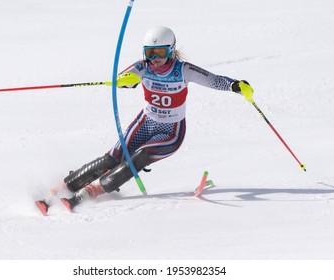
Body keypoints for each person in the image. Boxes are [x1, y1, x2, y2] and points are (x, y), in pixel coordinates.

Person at [60, 25, 253, 211]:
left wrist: (235, 85)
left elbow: (213, 79)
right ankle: (64, 187)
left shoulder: (183, 70)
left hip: (171, 131)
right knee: (113, 158)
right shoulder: (143, 67)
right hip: (146, 122)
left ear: (171, 50)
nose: (154, 58)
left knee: (138, 159)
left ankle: (88, 193)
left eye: (160, 52)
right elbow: (123, 79)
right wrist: (124, 81)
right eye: (149, 52)